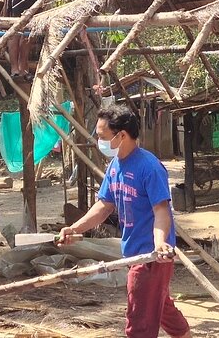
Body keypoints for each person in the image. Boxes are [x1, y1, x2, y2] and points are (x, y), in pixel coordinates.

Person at [58, 105, 191, 338]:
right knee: (160, 307)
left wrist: (159, 244)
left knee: (138, 322)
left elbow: (162, 211)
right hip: (131, 252)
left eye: (102, 136)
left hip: (150, 257)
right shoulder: (115, 165)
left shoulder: (149, 167)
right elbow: (103, 206)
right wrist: (74, 228)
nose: (98, 141)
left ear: (121, 136)